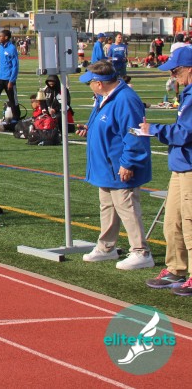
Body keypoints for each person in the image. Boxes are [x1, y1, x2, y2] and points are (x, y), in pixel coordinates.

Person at [76, 60, 154, 270]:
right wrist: (89, 129)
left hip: (118, 166)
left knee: (127, 207)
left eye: (90, 83)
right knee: (107, 207)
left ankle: (141, 251)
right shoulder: (105, 97)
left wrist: (128, 163)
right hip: (106, 167)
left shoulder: (125, 99)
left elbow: (134, 134)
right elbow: (106, 124)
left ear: (99, 83)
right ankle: (106, 247)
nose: (89, 86)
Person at [140, 48, 192, 296]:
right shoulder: (187, 93)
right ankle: (176, 268)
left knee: (190, 223)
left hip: (189, 167)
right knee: (172, 221)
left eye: (176, 70)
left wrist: (154, 129)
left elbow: (185, 133)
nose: (172, 75)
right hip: (181, 165)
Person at [0, 29, 20, 123]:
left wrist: (12, 80)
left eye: (0, 36)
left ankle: (16, 118)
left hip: (8, 79)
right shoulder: (0, 47)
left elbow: (15, 65)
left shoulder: (12, 48)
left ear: (6, 37)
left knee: (13, 99)